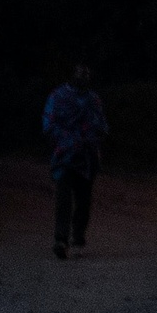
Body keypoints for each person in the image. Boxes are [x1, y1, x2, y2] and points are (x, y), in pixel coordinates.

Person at [43, 65, 108, 262]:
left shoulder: (93, 100)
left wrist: (92, 137)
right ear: (72, 76)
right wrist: (67, 140)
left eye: (86, 76)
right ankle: (61, 239)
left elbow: (102, 125)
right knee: (63, 199)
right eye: (79, 75)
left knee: (83, 201)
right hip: (65, 155)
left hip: (86, 158)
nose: (82, 79)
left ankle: (78, 237)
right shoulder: (58, 96)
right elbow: (48, 125)